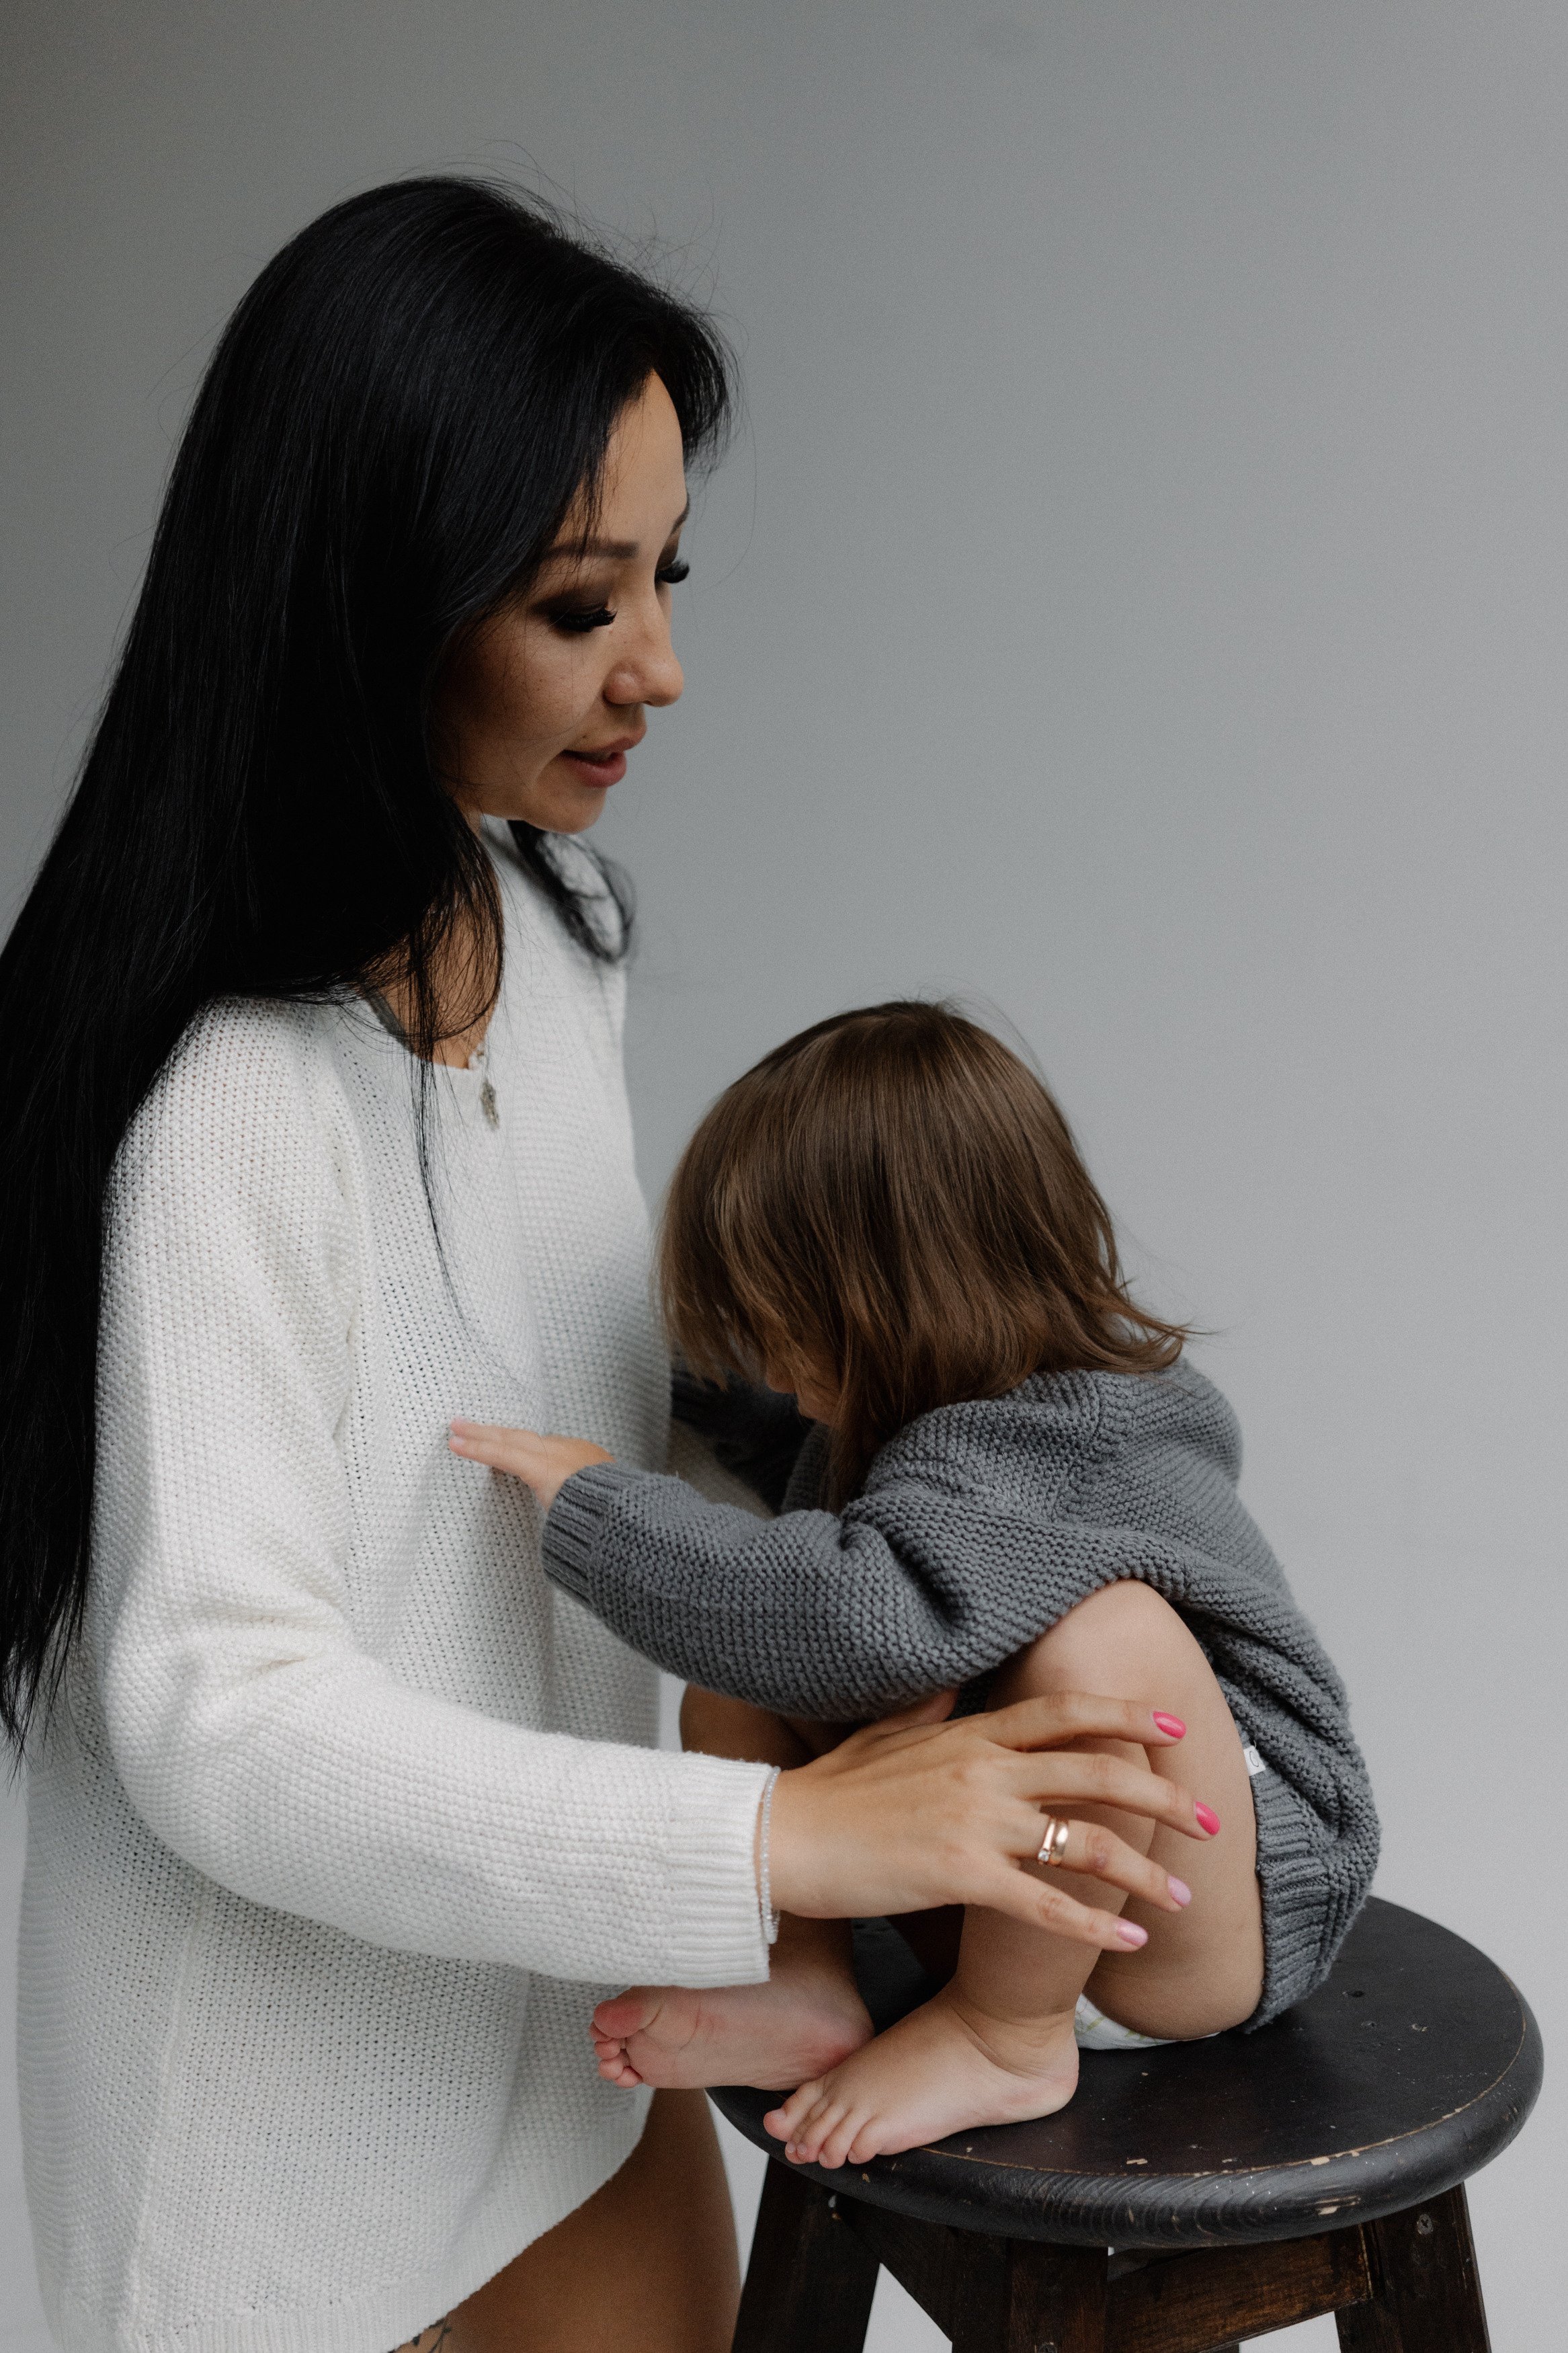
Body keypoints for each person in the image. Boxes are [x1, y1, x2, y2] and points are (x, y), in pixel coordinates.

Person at [0, 181, 1218, 2353]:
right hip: (278, 2158)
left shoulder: (561, 938)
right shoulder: (221, 1105)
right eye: (582, 603)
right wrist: (788, 1850)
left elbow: (627, 1415)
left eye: (665, 576)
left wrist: (1022, 1533)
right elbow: (218, 1720)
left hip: (567, 2033)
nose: (659, 664)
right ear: (368, 603)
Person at [449, 1000, 1380, 2169]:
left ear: (902, 1301)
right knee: (738, 1682)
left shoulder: (1061, 1436)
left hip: (1192, 1921)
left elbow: (859, 1619)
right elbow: (820, 1491)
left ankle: (1007, 2037)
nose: (778, 1374)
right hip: (1026, 1893)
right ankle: (804, 1980)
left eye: (793, 1336)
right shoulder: (927, 1420)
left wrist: (605, 1511)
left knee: (1105, 1638)